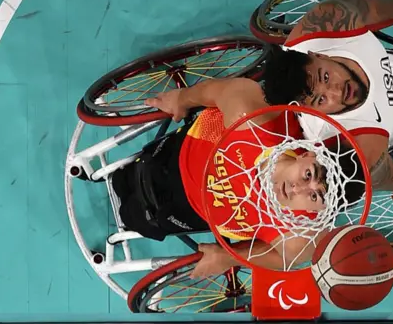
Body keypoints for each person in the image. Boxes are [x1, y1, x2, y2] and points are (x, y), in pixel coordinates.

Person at [112, 77, 365, 278]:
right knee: (118, 178)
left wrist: (228, 257)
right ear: (307, 155)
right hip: (166, 158)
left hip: (179, 213)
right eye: (309, 174)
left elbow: (282, 259)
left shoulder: (300, 235)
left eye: (314, 195)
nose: (297, 188)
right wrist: (182, 97)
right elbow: (223, 91)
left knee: (131, 220)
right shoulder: (256, 121)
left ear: (320, 210)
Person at [261, 0, 393, 191]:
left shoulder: (325, 24)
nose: (337, 94)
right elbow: (387, 176)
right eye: (321, 100)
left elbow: (366, 8)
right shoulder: (355, 145)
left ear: (319, 55)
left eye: (326, 77)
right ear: (307, 110)